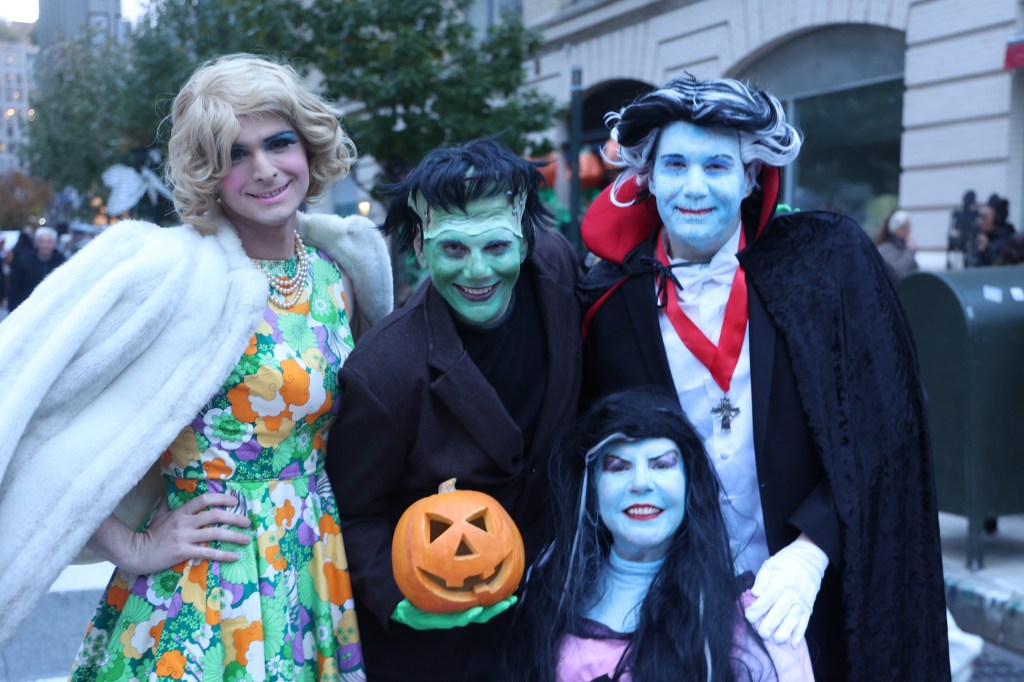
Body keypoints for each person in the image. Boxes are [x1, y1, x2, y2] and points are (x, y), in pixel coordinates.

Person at [0, 54, 394, 680]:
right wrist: (130, 545)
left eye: (278, 143)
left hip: (314, 565)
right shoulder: (173, 276)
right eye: (235, 154)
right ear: (208, 172)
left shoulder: (337, 275)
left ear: (308, 149)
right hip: (207, 588)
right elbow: (30, 414)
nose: (263, 169)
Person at [577, 75, 948, 679]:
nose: (694, 188)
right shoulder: (606, 302)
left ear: (750, 176)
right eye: (674, 165)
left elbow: (888, 423)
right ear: (647, 178)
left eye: (717, 166)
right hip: (678, 615)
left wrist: (812, 550)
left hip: (813, 599)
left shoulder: (825, 268)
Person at [325, 137, 582, 681]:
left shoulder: (557, 272)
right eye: (454, 250)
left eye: (495, 247)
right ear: (420, 249)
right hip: (440, 640)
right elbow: (352, 510)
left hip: (553, 610)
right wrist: (399, 595)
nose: (477, 271)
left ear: (523, 236)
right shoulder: (386, 371)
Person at [506, 387, 813, 681]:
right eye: (618, 467)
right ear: (593, 490)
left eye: (661, 465)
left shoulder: (758, 618)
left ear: (688, 484)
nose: (641, 482)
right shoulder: (550, 603)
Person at [7, 226, 65, 311]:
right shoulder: (23, 261)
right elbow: (15, 288)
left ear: (55, 243)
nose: (45, 245)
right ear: (36, 242)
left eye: (49, 242)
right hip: (27, 309)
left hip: (53, 310)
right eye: (42, 241)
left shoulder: (62, 263)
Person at [875, 209, 919, 281]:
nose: (908, 230)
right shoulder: (885, 249)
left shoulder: (903, 248)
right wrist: (910, 250)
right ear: (896, 229)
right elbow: (898, 270)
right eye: (905, 227)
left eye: (908, 226)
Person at [972, 195, 1016, 266]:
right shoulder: (983, 236)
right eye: (979, 217)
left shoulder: (1008, 240)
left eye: (984, 217)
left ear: (996, 220)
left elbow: (1002, 268)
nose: (979, 221)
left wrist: (986, 250)